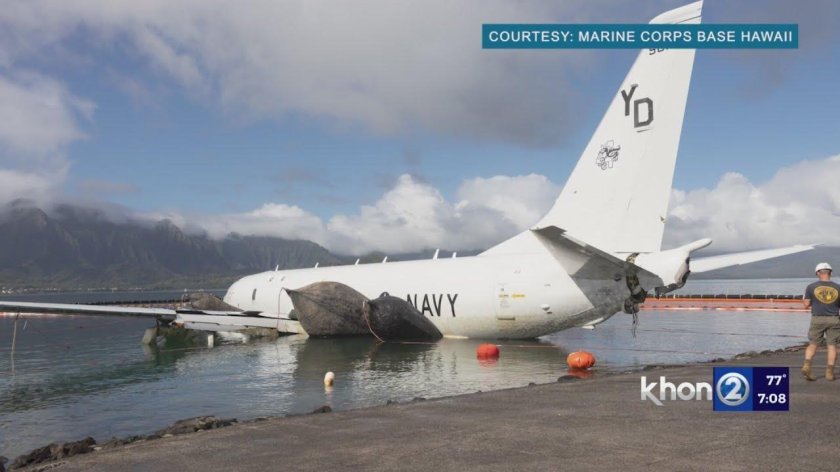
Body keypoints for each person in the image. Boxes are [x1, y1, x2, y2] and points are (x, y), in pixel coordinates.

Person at [802, 262, 840, 381]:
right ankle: (829, 373)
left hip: (817, 318)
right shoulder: (838, 287)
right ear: (830, 273)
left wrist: (804, 300)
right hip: (834, 319)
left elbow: (806, 305)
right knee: (832, 346)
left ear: (818, 273)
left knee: (813, 343)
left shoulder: (811, 287)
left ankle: (807, 365)